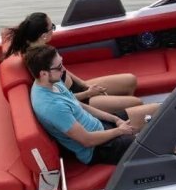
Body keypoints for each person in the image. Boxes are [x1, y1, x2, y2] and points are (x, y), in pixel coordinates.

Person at [25, 45, 160, 165]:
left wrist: (115, 119)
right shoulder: (52, 107)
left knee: (157, 110)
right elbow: (87, 140)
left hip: (100, 125)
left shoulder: (53, 82)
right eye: (59, 67)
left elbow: (80, 105)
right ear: (43, 73)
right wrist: (119, 131)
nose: (63, 70)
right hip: (98, 148)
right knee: (160, 146)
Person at [6, 12, 144, 118]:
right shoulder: (40, 61)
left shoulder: (43, 49)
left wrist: (85, 84)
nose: (53, 29)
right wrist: (88, 93)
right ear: (43, 36)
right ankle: (120, 119)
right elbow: (61, 98)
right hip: (77, 101)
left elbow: (64, 71)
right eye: (52, 27)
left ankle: (121, 111)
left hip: (78, 89)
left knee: (130, 80)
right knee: (136, 103)